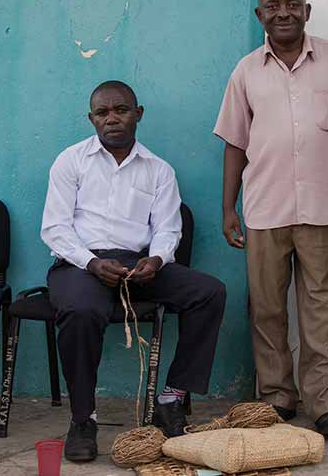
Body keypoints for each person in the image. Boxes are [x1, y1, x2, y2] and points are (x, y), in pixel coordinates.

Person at [214, 0, 328, 438]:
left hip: (324, 206)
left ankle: (325, 401)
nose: (282, 12)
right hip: (264, 207)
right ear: (258, 16)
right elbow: (234, 143)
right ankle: (276, 397)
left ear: (307, 10)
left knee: (323, 306)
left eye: (291, 5)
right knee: (266, 308)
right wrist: (229, 208)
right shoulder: (246, 71)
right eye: (272, 6)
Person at [40, 80, 226, 462]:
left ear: (138, 114)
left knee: (209, 292)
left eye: (121, 110)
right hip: (81, 264)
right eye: (102, 113)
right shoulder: (70, 161)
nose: (112, 119)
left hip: (137, 264)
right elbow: (55, 229)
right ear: (91, 119)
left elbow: (168, 229)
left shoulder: (158, 170)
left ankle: (171, 399)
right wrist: (91, 262)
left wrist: (156, 260)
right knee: (80, 311)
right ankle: (82, 419)